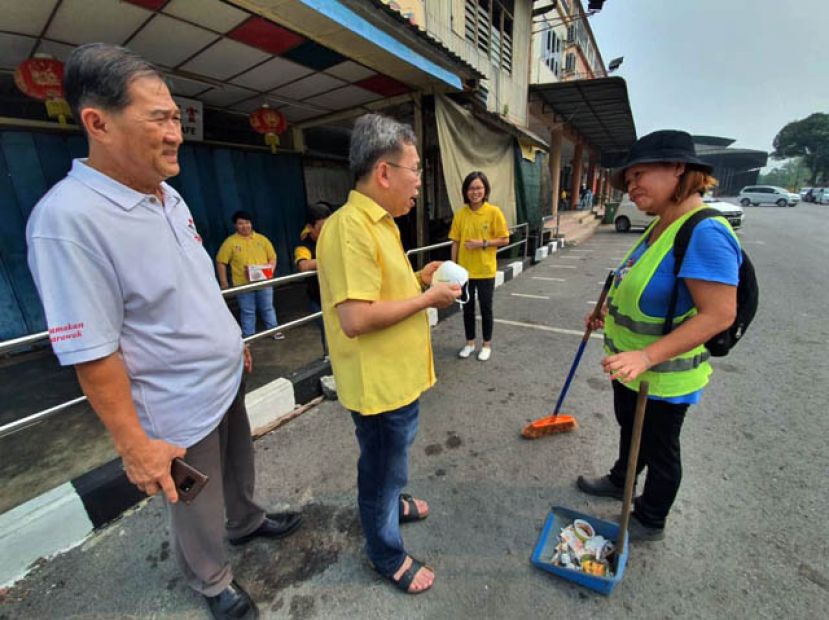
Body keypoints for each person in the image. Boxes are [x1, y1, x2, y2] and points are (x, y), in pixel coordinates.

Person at [25, 43, 301, 620]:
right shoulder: (68, 221)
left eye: (176, 117)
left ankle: (247, 522)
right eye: (159, 119)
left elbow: (196, 281)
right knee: (194, 501)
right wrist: (136, 448)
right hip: (173, 408)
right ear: (97, 123)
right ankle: (212, 579)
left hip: (222, 380)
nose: (176, 132)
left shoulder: (167, 194)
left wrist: (231, 339)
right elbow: (92, 352)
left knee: (238, 468)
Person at [316, 113, 461, 594]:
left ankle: (391, 500)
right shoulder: (348, 227)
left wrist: (420, 279)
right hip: (377, 385)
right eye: (415, 169)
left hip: (397, 378)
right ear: (384, 172)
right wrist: (427, 300)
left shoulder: (383, 224)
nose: (419, 181)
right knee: (380, 465)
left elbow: (379, 290)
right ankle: (385, 552)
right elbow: (355, 318)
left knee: (392, 457)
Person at [576, 130, 741, 541]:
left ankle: (650, 516)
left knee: (661, 448)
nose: (631, 186)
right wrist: (604, 313)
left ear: (679, 169)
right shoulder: (660, 227)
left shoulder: (704, 231)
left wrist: (647, 357)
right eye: (628, 178)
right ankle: (621, 480)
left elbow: (720, 314)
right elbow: (641, 287)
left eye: (640, 174)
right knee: (632, 432)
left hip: (663, 377)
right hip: (632, 371)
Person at [449, 171, 510, 361]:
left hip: (485, 271)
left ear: (485, 190)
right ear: (466, 191)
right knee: (467, 308)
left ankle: (486, 344)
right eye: (471, 188)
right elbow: (455, 242)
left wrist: (482, 243)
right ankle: (469, 343)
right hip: (464, 273)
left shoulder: (494, 212)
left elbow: (505, 239)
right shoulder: (460, 214)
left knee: (486, 308)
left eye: (479, 188)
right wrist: (453, 268)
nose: (475, 192)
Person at [216, 211, 284, 340]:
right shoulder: (230, 242)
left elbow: (273, 257)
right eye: (240, 223)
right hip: (243, 284)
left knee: (268, 308)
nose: (245, 226)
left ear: (251, 223)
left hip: (264, 282)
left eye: (247, 222)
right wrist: (223, 282)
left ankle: (274, 330)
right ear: (235, 225)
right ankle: (249, 336)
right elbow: (221, 262)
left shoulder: (262, 239)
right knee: (248, 311)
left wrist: (269, 271)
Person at [294, 201, 331, 356]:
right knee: (328, 331)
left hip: (336, 295)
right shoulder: (304, 246)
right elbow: (303, 265)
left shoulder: (331, 239)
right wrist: (330, 258)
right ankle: (328, 359)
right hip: (318, 299)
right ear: (310, 227)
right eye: (321, 228)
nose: (326, 232)